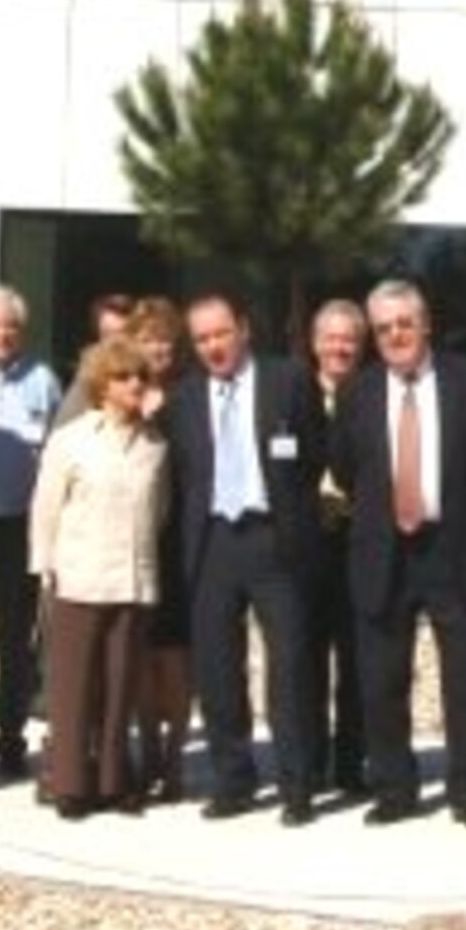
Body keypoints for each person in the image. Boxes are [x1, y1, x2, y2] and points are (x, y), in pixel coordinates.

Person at [329, 279, 466, 828]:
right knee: (382, 679)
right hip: (385, 550)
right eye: (383, 328)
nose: (396, 335)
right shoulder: (357, 392)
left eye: (405, 324)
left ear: (425, 325)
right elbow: (344, 467)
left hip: (455, 547)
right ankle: (395, 789)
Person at [167, 291, 326, 826]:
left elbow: (312, 453)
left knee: (291, 666)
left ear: (243, 330)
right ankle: (232, 780)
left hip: (274, 538)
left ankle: (297, 784)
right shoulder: (184, 397)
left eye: (221, 334)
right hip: (212, 542)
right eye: (202, 339)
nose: (213, 346)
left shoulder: (288, 380)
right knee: (217, 670)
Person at [29, 338, 169, 819]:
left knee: (119, 686)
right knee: (73, 687)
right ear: (102, 385)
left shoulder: (154, 445)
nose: (135, 385)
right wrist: (43, 566)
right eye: (124, 377)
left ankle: (113, 779)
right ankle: (69, 782)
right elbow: (46, 507)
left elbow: (161, 509)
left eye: (141, 377)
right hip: (78, 578)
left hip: (133, 581)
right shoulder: (71, 439)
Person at [0, 285, 63, 779]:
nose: (2, 334)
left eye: (10, 326)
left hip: (16, 528)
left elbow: (59, 453)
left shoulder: (43, 381)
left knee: (13, 643)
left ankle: (9, 736)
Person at [126, 298, 191, 801]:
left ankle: (175, 757)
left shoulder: (190, 395)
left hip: (183, 540)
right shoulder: (120, 394)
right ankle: (146, 748)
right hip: (134, 538)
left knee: (176, 656)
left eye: (166, 339)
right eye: (148, 339)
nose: (158, 348)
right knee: (141, 652)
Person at [307, 298, 368, 797]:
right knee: (304, 658)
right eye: (331, 338)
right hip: (308, 544)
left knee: (359, 659)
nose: (339, 347)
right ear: (315, 344)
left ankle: (351, 765)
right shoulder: (291, 393)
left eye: (349, 338)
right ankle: (307, 763)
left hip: (359, 540)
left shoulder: (373, 394)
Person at [52, 294, 135, 430]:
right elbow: (63, 428)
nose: (115, 342)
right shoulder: (89, 377)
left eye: (122, 334)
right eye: (108, 335)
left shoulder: (148, 376)